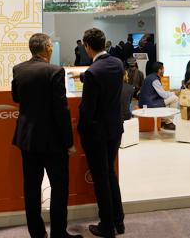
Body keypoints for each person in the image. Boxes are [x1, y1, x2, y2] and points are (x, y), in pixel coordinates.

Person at [11, 33, 80, 238]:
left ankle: (37, 234)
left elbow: (15, 97)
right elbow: (61, 110)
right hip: (53, 141)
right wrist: (69, 142)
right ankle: (59, 233)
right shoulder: (55, 71)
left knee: (32, 189)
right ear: (48, 47)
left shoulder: (18, 69)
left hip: (27, 139)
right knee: (59, 188)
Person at [70, 28, 125, 238]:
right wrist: (83, 75)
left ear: (87, 46)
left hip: (97, 133)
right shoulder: (117, 63)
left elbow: (87, 109)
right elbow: (102, 76)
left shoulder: (94, 72)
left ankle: (107, 226)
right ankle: (118, 220)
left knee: (100, 178)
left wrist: (81, 130)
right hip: (115, 129)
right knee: (110, 173)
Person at [138, 61, 180, 130]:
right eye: (163, 69)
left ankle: (163, 121)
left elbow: (161, 93)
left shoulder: (151, 77)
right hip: (150, 104)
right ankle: (168, 123)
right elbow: (164, 95)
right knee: (174, 98)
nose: (164, 71)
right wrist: (174, 93)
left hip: (148, 102)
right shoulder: (155, 80)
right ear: (159, 70)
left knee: (169, 103)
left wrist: (170, 92)